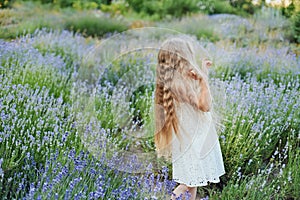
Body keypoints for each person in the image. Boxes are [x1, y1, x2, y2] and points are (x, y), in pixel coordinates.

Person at [154, 37, 225, 200]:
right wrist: (203, 80)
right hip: (191, 140)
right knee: (188, 183)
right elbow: (205, 106)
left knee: (192, 183)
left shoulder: (175, 80)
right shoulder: (178, 84)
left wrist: (203, 74)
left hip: (191, 138)